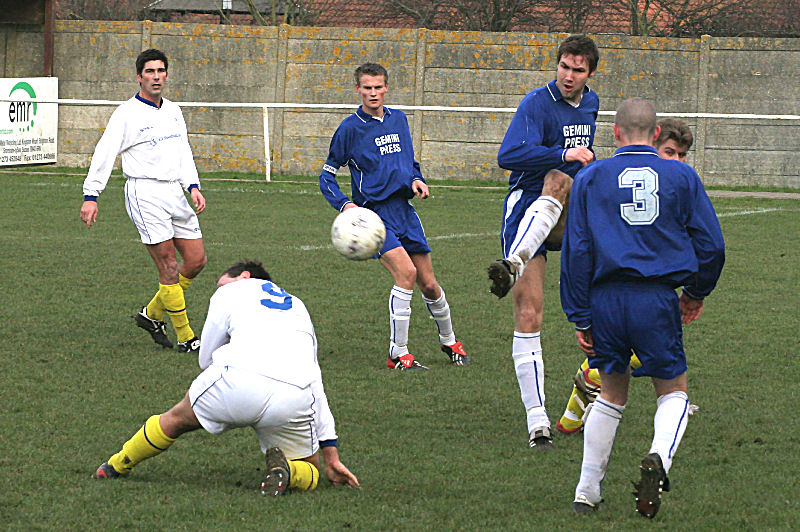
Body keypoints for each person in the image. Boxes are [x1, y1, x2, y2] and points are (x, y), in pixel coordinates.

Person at [560, 98, 724, 517]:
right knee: (673, 391)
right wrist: (696, 291)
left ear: (614, 134)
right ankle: (658, 459)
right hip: (655, 298)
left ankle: (586, 492)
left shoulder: (591, 176)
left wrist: (580, 313)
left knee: (611, 393)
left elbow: (577, 251)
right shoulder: (681, 176)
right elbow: (713, 246)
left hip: (605, 300)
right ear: (655, 135)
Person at [92, 260, 360, 495]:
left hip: (239, 381)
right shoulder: (298, 305)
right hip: (295, 394)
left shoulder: (231, 290)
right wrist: (331, 455)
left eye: (220, 284)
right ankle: (291, 473)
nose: (218, 289)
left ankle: (116, 465)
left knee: (175, 420)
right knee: (310, 467)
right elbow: (315, 379)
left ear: (244, 276)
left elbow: (205, 359)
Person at [319, 62, 469, 370]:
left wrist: (417, 179)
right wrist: (346, 205)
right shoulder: (350, 128)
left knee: (428, 283)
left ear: (386, 88)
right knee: (406, 274)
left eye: (378, 87)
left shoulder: (399, 119)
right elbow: (326, 176)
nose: (373, 93)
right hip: (374, 217)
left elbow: (409, 161)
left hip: (405, 211)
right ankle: (398, 353)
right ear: (357, 89)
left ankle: (450, 341)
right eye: (367, 88)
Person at [489, 35, 600, 449]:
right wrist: (563, 154)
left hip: (571, 212)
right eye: (564, 67)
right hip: (528, 211)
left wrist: (582, 163)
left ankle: (667, 383)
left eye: (577, 70)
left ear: (590, 74)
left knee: (617, 288)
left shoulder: (591, 104)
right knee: (530, 314)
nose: (568, 76)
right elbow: (507, 156)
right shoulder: (535, 103)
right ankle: (538, 423)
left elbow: (583, 156)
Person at [556, 117, 697, 434]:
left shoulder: (668, 183)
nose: (676, 161)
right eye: (670, 152)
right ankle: (671, 402)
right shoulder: (618, 184)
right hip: (631, 291)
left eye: (682, 156)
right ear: (651, 145)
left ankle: (571, 420)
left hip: (615, 297)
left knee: (618, 366)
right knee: (640, 359)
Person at [79, 48, 206, 354]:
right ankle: (187, 338)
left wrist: (193, 186)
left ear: (167, 74)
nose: (156, 76)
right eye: (149, 71)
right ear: (139, 77)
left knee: (196, 260)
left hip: (175, 192)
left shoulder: (174, 111)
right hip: (145, 193)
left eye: (160, 70)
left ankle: (151, 315)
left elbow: (183, 152)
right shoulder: (126, 114)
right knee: (168, 266)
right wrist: (91, 195)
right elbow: (105, 153)